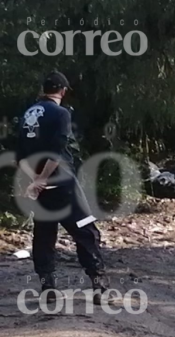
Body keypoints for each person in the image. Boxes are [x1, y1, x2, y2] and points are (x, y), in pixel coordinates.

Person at [16, 71, 110, 304]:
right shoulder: (61, 113)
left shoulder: (28, 113)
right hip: (63, 184)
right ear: (63, 91)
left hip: (39, 189)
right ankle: (98, 284)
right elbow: (57, 152)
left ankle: (48, 286)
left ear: (43, 89)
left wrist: (35, 180)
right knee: (86, 231)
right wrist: (44, 178)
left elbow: (20, 156)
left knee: (44, 235)